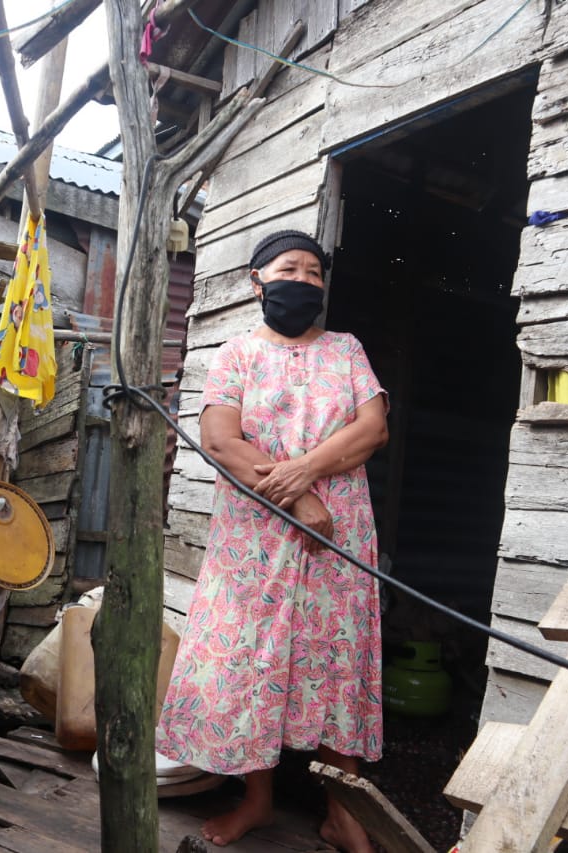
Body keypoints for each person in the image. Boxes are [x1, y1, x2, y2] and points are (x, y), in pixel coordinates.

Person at [156, 230, 389, 852]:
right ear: (257, 280)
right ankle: (256, 799)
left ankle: (343, 811)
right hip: (256, 537)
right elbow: (221, 441)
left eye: (315, 272)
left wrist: (308, 470)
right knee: (252, 660)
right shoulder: (236, 353)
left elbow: (372, 428)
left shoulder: (346, 350)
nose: (305, 280)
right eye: (290, 268)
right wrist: (297, 496)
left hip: (335, 539)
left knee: (336, 659)